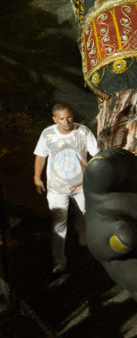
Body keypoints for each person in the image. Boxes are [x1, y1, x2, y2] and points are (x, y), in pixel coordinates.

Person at [33, 104, 100, 274]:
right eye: (61, 118)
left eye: (69, 117)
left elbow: (97, 154)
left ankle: (84, 243)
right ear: (55, 119)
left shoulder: (83, 131)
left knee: (85, 215)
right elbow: (40, 156)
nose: (66, 121)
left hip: (82, 185)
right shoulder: (48, 134)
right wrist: (36, 177)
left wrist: (97, 177)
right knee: (58, 223)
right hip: (57, 188)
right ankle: (59, 260)